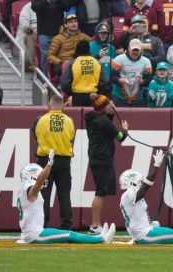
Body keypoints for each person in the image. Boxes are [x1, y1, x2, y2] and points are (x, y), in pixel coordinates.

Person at [17, 156, 116, 244]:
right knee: (70, 235)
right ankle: (102, 239)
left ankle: (98, 237)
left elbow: (39, 181)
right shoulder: (30, 189)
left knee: (66, 234)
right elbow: (40, 181)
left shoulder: (24, 189)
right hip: (35, 234)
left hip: (31, 232)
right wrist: (49, 165)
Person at [85, 93, 129, 234]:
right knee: (100, 193)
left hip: (96, 158)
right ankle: (94, 225)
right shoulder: (102, 122)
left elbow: (105, 126)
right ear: (103, 107)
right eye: (107, 105)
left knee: (101, 192)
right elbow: (120, 137)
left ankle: (95, 225)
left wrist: (109, 112)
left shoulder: (93, 118)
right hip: (102, 159)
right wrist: (125, 129)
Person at [32, 95, 75, 230]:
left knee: (44, 193)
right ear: (62, 107)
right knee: (64, 194)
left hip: (45, 160)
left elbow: (36, 135)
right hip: (64, 160)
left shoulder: (40, 120)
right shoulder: (69, 121)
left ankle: (42, 224)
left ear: (49, 106)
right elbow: (71, 137)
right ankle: (66, 225)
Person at [60, 40, 109, 105]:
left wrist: (71, 93)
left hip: (77, 97)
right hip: (93, 96)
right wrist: (97, 90)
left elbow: (64, 83)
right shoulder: (96, 62)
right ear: (88, 49)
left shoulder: (73, 62)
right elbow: (105, 80)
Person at [31, 0, 70, 76]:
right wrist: (48, 1)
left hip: (59, 33)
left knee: (61, 55)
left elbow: (67, 7)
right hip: (44, 33)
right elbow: (35, 7)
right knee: (45, 55)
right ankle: (45, 78)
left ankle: (58, 78)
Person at [111, 39, 152, 107]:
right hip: (119, 96)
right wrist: (124, 81)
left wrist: (141, 81)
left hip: (138, 97)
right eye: (133, 50)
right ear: (129, 49)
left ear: (141, 50)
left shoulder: (146, 61)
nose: (135, 52)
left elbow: (148, 79)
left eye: (137, 50)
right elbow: (112, 77)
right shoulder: (119, 59)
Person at [15, 1, 37, 71]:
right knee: (30, 35)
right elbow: (23, 20)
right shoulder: (29, 6)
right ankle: (32, 64)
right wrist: (27, 28)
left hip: (49, 32)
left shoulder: (55, 4)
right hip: (33, 31)